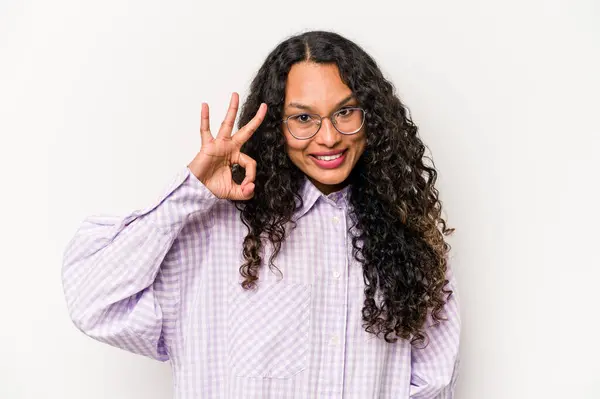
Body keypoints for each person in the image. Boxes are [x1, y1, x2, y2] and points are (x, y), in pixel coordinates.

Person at [61, 30, 461, 399]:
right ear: (275, 125)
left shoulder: (409, 240)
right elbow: (95, 302)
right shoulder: (211, 232)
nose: (328, 137)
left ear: (371, 117)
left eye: (345, 112)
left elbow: (432, 382)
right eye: (303, 118)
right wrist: (189, 193)